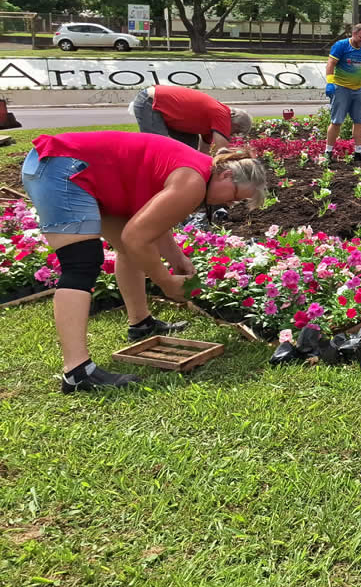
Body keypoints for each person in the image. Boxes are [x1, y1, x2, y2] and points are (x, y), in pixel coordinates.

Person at [20, 132, 268, 393]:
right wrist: (165, 281)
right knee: (81, 263)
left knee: (129, 249)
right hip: (61, 167)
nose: (230, 204)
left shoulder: (196, 172)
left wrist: (177, 259)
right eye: (235, 197)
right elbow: (137, 236)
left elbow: (151, 226)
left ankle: (141, 323)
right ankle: (77, 373)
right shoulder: (194, 180)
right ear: (226, 176)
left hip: (66, 165)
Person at [130, 85, 254, 152]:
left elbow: (203, 151)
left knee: (189, 149)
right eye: (235, 132)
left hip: (160, 106)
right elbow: (222, 149)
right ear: (236, 124)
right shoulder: (222, 114)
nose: (231, 135)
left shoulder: (213, 123)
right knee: (162, 146)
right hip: (150, 102)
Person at [324, 23, 361, 163]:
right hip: (341, 88)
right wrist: (330, 82)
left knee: (360, 121)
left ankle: (358, 152)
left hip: (358, 90)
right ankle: (328, 152)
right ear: (353, 34)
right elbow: (330, 63)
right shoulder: (341, 45)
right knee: (337, 121)